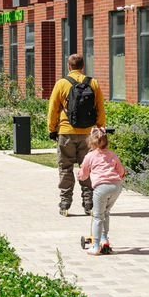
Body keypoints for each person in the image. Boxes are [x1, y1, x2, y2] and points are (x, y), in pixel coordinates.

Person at [47, 53, 107, 217]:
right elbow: (100, 108)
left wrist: (52, 129)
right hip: (88, 135)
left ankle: (65, 204)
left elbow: (53, 109)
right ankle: (89, 204)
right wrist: (100, 127)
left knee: (65, 168)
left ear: (69, 66)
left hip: (66, 132)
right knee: (87, 168)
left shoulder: (62, 83)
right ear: (83, 66)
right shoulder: (93, 83)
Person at [77, 128, 125, 255]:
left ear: (91, 142)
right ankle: (105, 240)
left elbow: (83, 174)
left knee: (97, 216)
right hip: (116, 187)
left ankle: (96, 246)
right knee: (106, 212)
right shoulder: (112, 155)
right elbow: (121, 171)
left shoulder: (90, 156)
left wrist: (80, 176)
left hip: (101, 188)